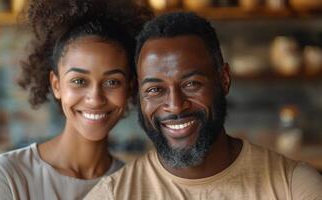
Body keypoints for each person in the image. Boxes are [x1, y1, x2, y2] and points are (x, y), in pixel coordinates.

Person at [85, 12, 322, 200]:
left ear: (224, 80)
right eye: (155, 90)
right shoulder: (112, 195)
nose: (175, 106)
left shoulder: (295, 187)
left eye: (191, 84)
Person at [0, 0, 151, 199]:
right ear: (56, 84)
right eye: (79, 81)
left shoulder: (135, 188)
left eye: (112, 82)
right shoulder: (6, 175)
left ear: (130, 87)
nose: (95, 98)